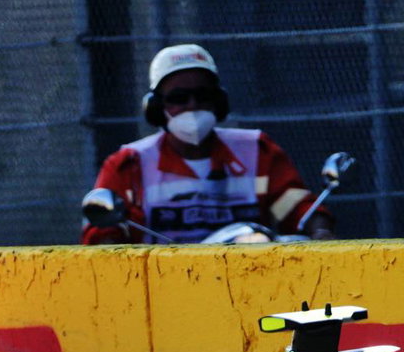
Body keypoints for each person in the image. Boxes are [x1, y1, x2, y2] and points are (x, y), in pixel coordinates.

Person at [81, 43, 335, 245]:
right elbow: (103, 237)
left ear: (219, 101)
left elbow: (298, 208)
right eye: (179, 98)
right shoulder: (130, 164)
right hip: (162, 287)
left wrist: (320, 231)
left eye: (203, 95)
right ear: (157, 109)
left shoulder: (256, 151)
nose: (193, 105)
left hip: (249, 277)